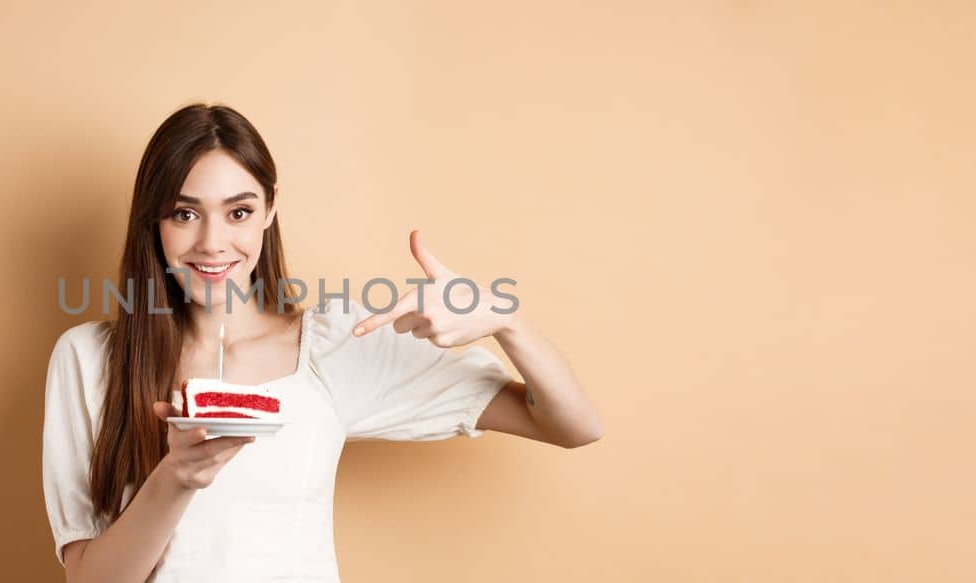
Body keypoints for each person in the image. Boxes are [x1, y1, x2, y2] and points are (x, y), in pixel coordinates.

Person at [42, 103, 603, 582]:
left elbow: (572, 426)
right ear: (154, 221)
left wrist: (507, 321)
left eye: (239, 212)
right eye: (185, 214)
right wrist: (176, 477)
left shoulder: (336, 347)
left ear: (270, 210)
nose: (213, 244)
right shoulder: (90, 360)